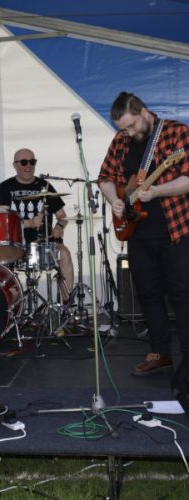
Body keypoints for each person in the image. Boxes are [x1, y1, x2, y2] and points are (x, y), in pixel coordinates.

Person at [98, 91, 189, 376]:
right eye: (123, 128)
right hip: (137, 233)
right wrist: (114, 199)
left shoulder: (176, 133)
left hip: (175, 231)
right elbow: (105, 177)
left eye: (131, 126)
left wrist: (157, 191)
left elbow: (187, 179)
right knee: (148, 294)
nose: (127, 133)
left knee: (182, 294)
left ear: (144, 112)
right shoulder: (121, 140)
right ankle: (160, 353)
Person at [0, 148, 74, 302]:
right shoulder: (5, 188)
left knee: (64, 254)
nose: (29, 165)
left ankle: (67, 305)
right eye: (24, 162)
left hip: (44, 243)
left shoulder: (45, 186)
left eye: (32, 162)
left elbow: (62, 216)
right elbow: (3, 220)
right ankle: (11, 306)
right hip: (16, 244)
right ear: (15, 165)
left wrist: (59, 227)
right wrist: (29, 223)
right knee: (1, 260)